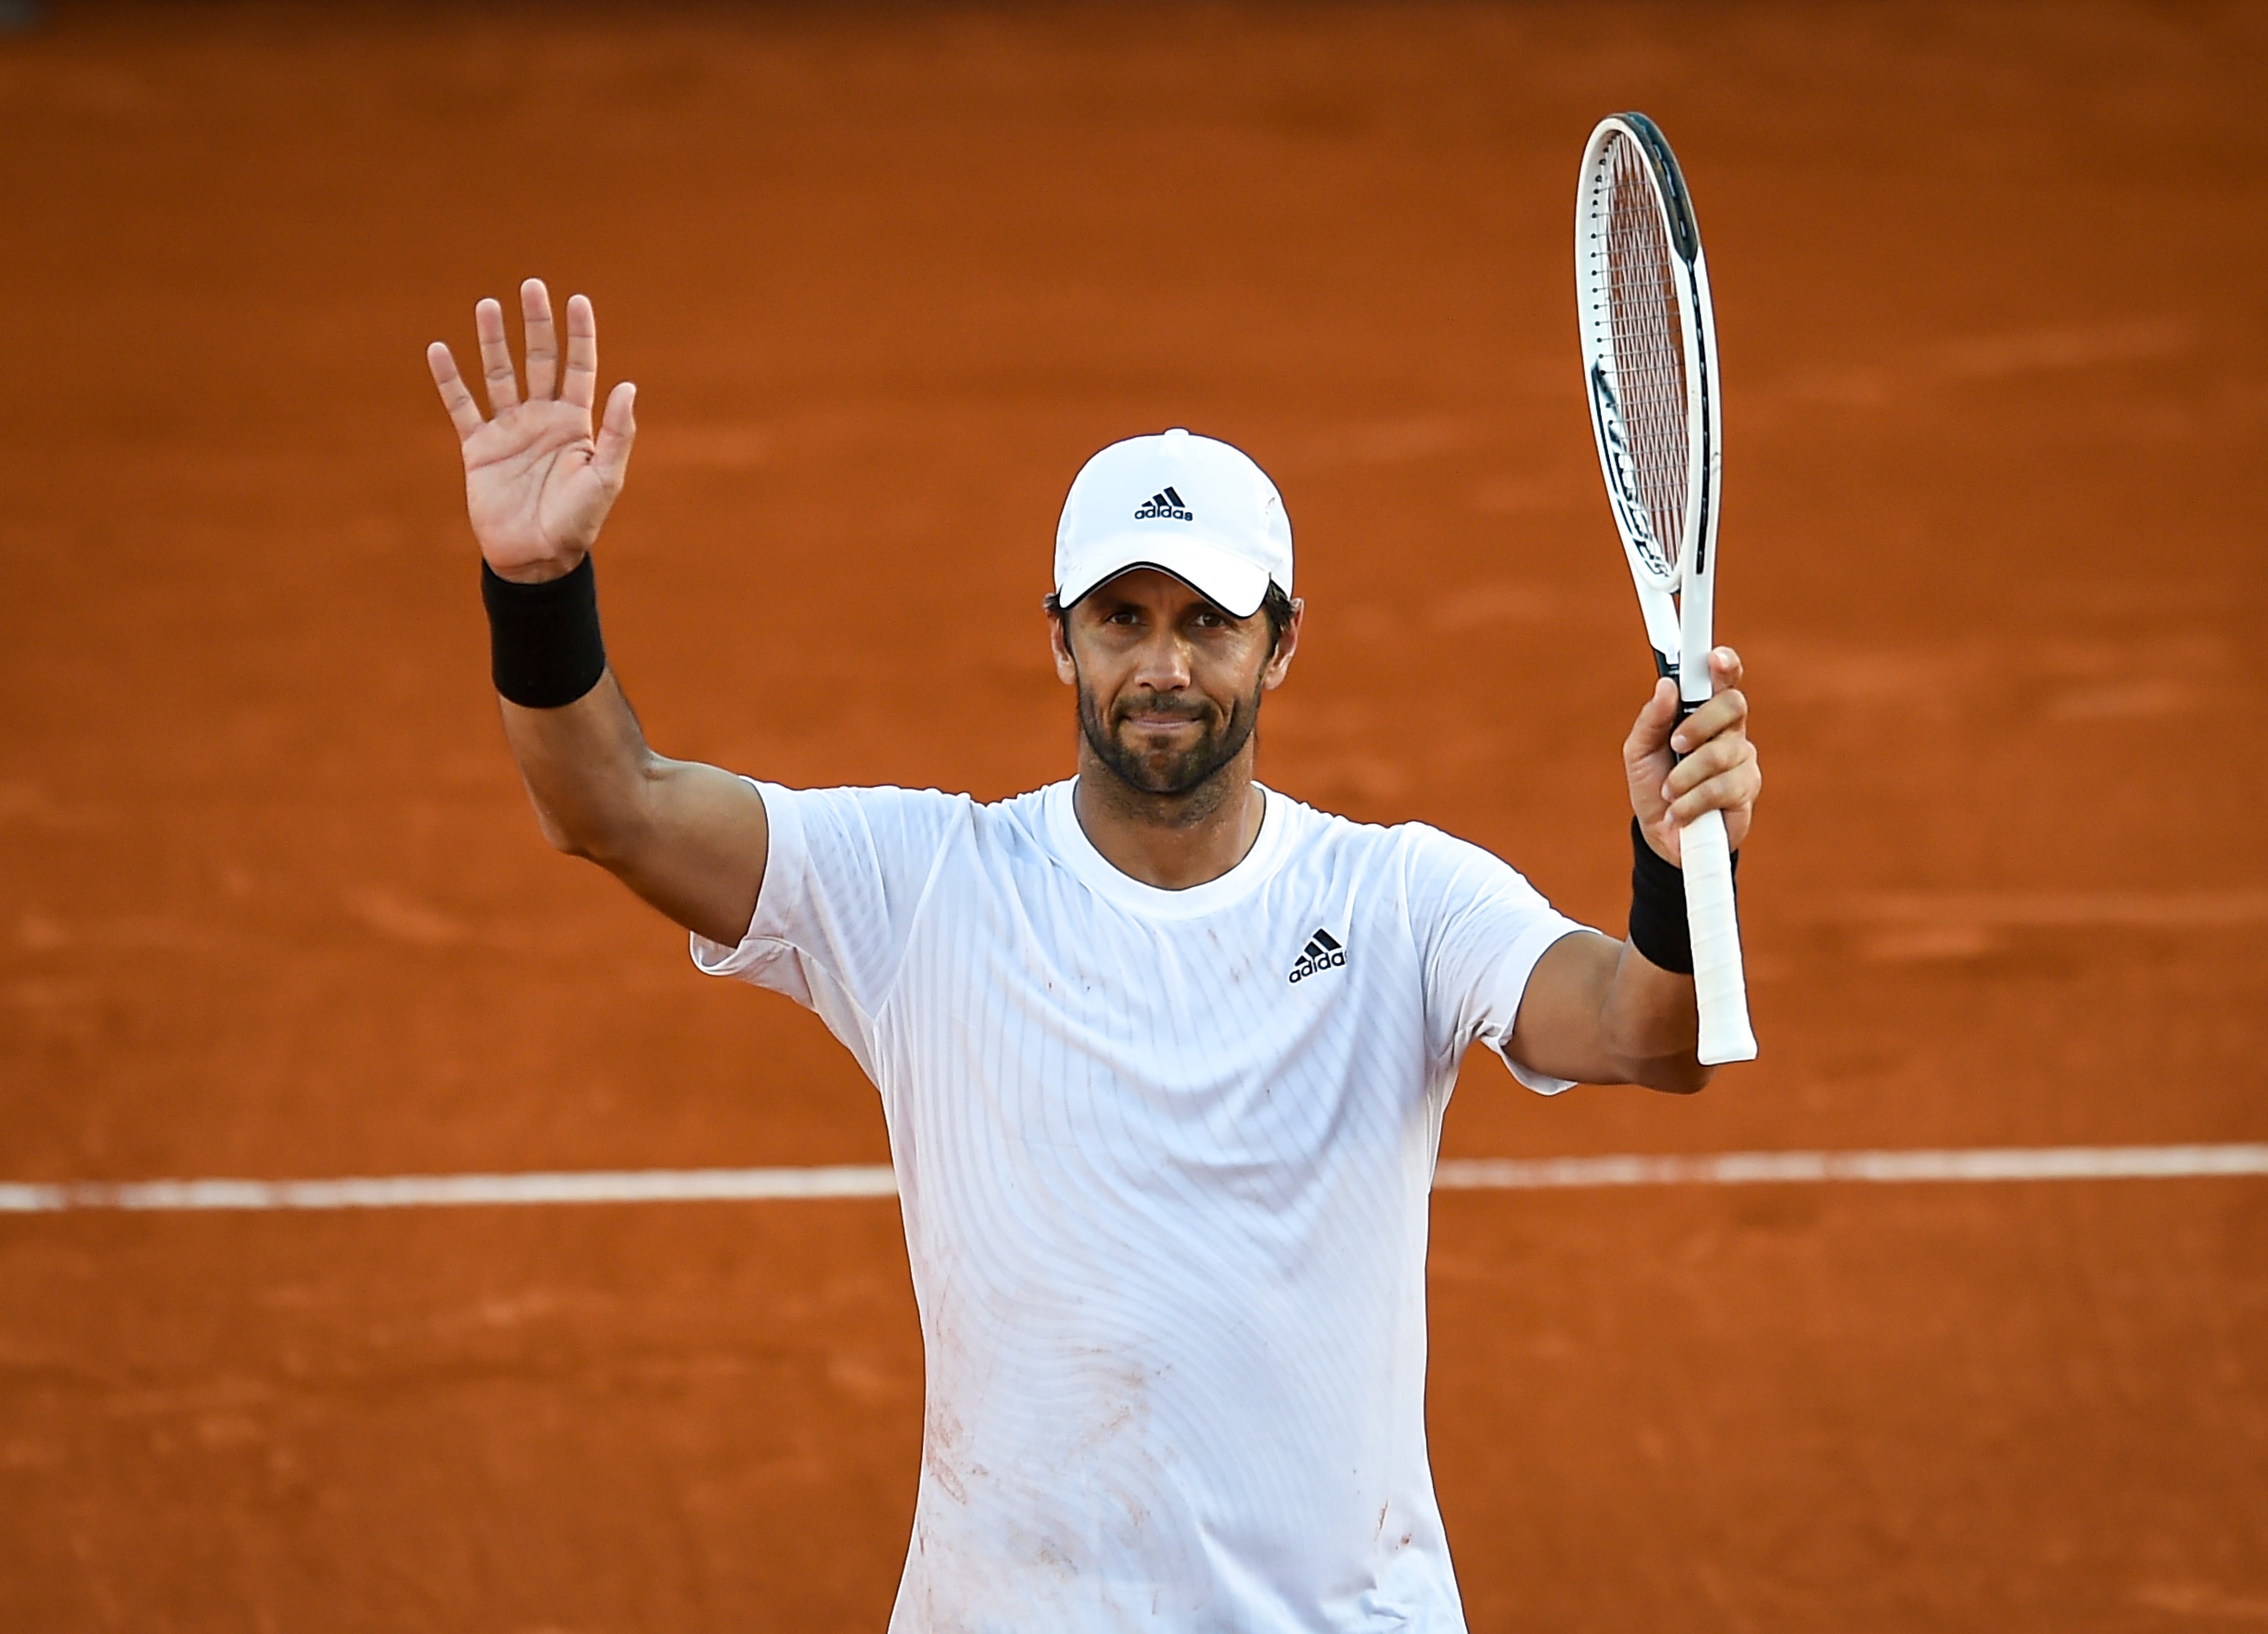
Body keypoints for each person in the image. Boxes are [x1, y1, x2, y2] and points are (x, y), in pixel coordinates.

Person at [426, 280, 1762, 1633]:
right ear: (1058, 634)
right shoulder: (921, 887)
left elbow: (1650, 1033)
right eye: (1122, 618)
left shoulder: (1402, 898)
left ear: (1281, 643)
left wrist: (1673, 861)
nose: (1165, 664)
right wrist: (539, 591)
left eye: (1208, 621)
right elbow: (614, 805)